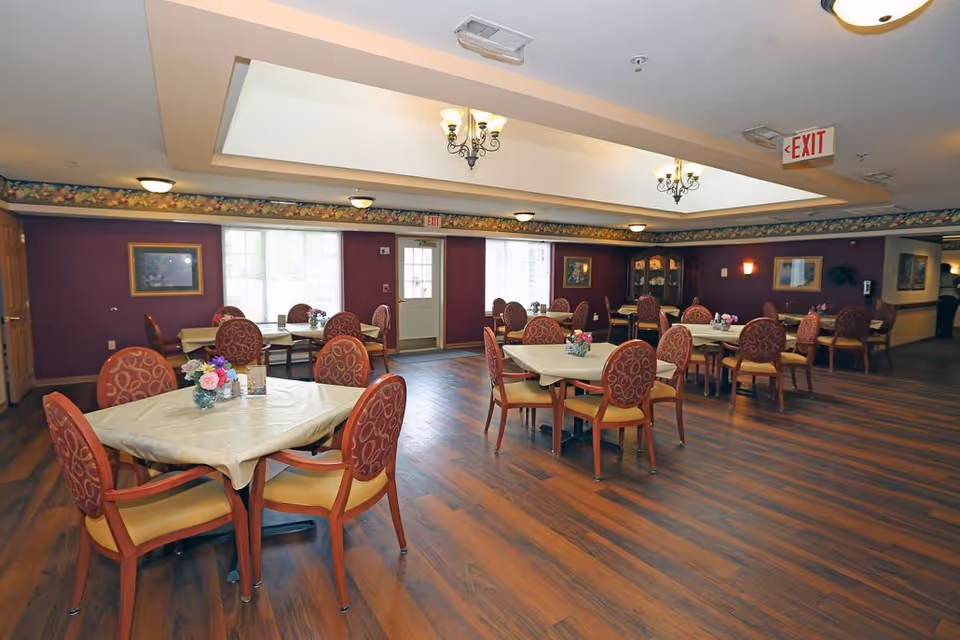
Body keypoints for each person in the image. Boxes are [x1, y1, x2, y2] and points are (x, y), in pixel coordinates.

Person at [936, 263, 959, 339]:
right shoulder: (955, 276)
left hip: (942, 297)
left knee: (941, 317)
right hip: (954, 298)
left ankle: (941, 332)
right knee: (950, 317)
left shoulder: (938, 276)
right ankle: (948, 333)